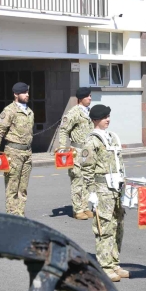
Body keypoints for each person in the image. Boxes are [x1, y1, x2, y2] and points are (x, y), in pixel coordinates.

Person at [81, 104, 128, 282]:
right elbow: (87, 170)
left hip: (116, 189)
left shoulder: (112, 137)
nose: (107, 119)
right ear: (95, 120)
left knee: (118, 226)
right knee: (104, 228)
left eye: (108, 116)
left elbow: (119, 163)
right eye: (104, 117)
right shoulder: (91, 141)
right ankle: (104, 266)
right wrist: (91, 193)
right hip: (102, 189)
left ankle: (114, 262)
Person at [0, 82, 34, 216]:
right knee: (12, 187)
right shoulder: (9, 111)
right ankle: (12, 215)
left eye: (27, 92)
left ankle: (20, 214)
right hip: (13, 153)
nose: (27, 95)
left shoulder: (29, 112)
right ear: (16, 94)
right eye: (24, 92)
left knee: (23, 188)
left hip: (27, 152)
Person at [58, 87, 94, 220]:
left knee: (87, 180)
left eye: (90, 96)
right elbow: (63, 130)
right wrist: (63, 148)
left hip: (88, 152)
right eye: (87, 96)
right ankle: (77, 210)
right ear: (81, 98)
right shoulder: (73, 112)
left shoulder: (89, 112)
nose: (90, 98)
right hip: (76, 151)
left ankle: (85, 206)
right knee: (77, 180)